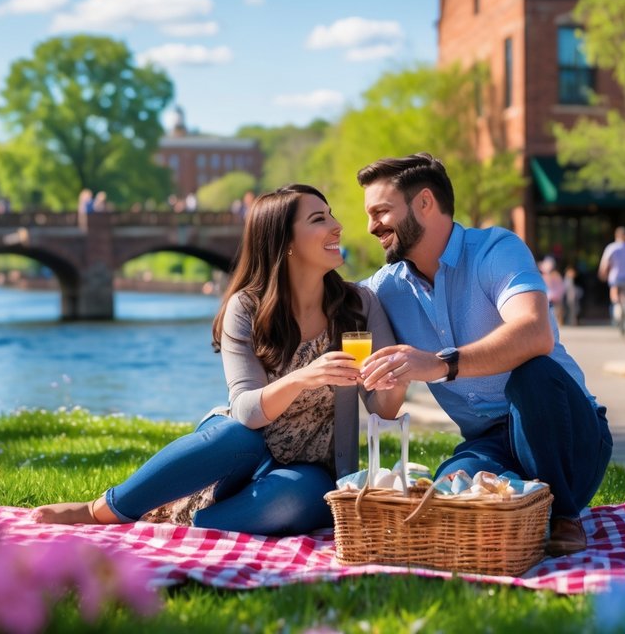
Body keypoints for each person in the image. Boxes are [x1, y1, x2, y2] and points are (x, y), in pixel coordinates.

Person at [32, 184, 404, 535]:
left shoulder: (359, 305)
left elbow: (384, 409)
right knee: (231, 435)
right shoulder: (246, 308)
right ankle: (103, 510)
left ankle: (188, 521)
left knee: (289, 499)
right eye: (318, 219)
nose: (337, 226)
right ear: (284, 241)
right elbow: (246, 411)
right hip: (241, 454)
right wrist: (304, 377)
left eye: (331, 214)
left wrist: (394, 378)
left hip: (310, 470)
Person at [354, 153, 612, 557]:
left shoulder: (496, 249)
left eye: (381, 211)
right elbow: (324, 299)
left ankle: (563, 514)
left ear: (424, 203)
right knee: (444, 495)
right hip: (489, 440)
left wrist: (440, 365)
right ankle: (519, 500)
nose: (372, 226)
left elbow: (534, 332)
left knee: (533, 374)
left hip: (566, 429)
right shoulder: (384, 289)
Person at [598, 227, 625, 325]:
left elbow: (605, 263)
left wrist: (602, 273)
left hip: (614, 277)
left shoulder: (611, 247)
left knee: (614, 293)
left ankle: (617, 309)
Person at [540, 256, 566, 326]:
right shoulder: (556, 275)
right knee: (555, 310)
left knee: (552, 311)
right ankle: (557, 322)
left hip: (550, 296)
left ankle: (555, 322)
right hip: (554, 295)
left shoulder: (548, 276)